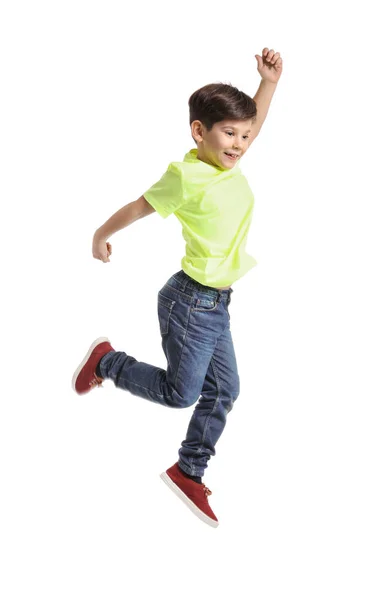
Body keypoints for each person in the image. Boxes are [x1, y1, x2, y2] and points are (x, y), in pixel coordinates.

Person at [72, 48, 283, 528]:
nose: (239, 145)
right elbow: (137, 207)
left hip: (217, 303)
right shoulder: (186, 175)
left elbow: (253, 120)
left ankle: (189, 470)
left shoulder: (229, 163)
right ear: (199, 132)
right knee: (180, 394)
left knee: (225, 390)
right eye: (228, 134)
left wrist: (268, 83)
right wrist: (99, 235)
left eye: (244, 136)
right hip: (190, 304)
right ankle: (107, 362)